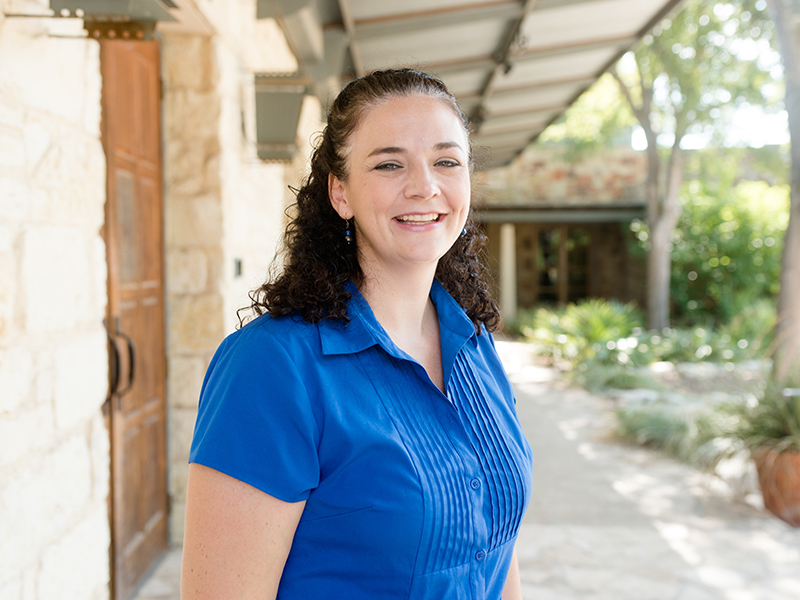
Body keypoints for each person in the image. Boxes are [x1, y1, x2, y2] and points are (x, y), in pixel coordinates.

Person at [181, 68, 533, 600]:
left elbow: (495, 556)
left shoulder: (473, 344)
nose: (425, 186)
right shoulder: (272, 367)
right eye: (390, 163)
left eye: (446, 161)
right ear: (340, 193)